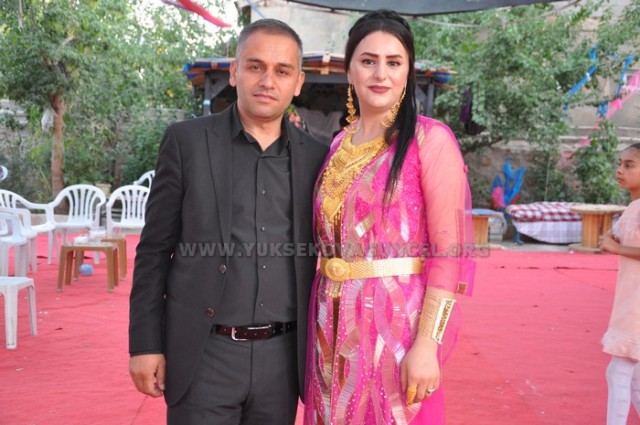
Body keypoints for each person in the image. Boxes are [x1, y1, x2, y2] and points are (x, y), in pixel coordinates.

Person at [128, 19, 328, 425]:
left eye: (282, 71)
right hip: (205, 355)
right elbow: (154, 251)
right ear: (235, 72)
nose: (267, 81)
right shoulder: (186, 142)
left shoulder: (318, 157)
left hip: (283, 361)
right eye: (255, 66)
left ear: (298, 83)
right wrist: (144, 344)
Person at [304, 10, 475, 425]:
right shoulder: (339, 144)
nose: (381, 73)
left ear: (407, 71)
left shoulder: (430, 140)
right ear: (349, 70)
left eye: (394, 62)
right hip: (329, 325)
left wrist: (427, 344)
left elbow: (450, 252)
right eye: (368, 61)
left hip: (396, 329)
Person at [598, 143, 640, 425]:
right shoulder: (633, 207)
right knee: (634, 376)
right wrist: (612, 241)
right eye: (620, 163)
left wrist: (617, 248)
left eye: (629, 165)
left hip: (636, 303)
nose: (620, 170)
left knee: (619, 371)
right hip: (630, 297)